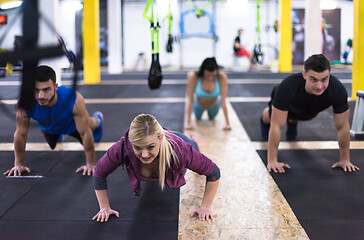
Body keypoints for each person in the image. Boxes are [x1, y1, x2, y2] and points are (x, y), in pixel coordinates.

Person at [92, 113, 220, 222]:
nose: (144, 154)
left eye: (150, 147)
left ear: (160, 138)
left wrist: (205, 206)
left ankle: (193, 141)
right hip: (163, 140)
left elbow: (214, 172)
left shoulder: (181, 151)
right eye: (137, 147)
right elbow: (98, 172)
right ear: (131, 143)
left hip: (181, 141)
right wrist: (104, 207)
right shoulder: (122, 148)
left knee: (192, 145)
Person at [260, 54, 359, 173]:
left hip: (310, 110)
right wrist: (272, 160)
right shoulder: (287, 87)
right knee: (270, 118)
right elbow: (276, 125)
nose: (319, 86)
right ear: (304, 75)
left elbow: (342, 126)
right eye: (313, 79)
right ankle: (281, 120)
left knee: (301, 116)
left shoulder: (337, 90)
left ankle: (292, 121)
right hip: (289, 105)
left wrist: (345, 160)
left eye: (324, 79)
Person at [3, 65, 103, 176]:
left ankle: (98, 120)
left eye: (46, 90)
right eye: (36, 90)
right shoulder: (26, 102)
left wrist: (90, 164)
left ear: (55, 87)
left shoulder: (72, 98)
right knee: (53, 145)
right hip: (49, 128)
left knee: (89, 125)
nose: (41, 96)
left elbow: (84, 133)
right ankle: (58, 134)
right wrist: (18, 164)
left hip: (72, 126)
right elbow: (20, 134)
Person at [185, 57, 231, 130]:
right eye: (207, 75)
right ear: (203, 71)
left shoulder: (221, 77)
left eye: (212, 75)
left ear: (216, 71)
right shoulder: (193, 77)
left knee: (212, 118)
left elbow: (223, 101)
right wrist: (188, 123)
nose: (210, 78)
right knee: (198, 118)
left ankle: (212, 114)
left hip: (214, 106)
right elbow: (190, 100)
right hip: (198, 105)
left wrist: (227, 124)